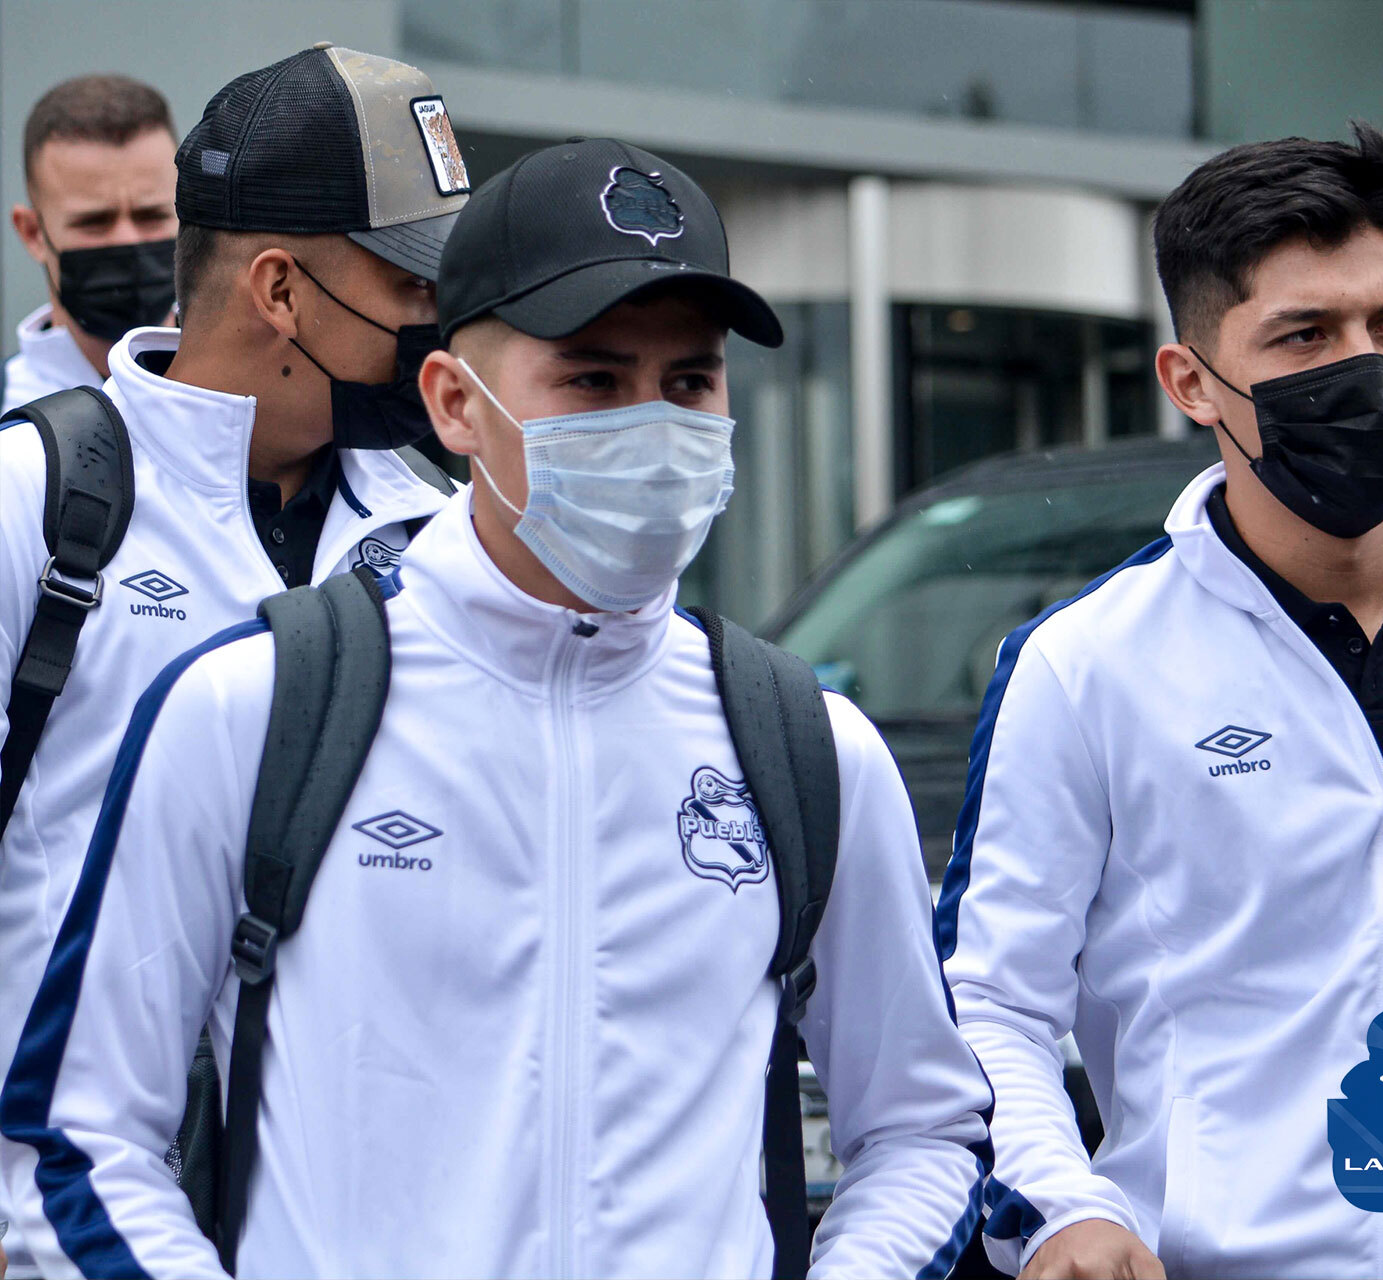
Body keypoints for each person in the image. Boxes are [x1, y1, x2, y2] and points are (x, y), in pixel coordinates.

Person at [0, 137, 993, 1279]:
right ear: (454, 405)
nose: (653, 425)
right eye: (592, 378)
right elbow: (88, 1128)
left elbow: (919, 1125)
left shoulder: (804, 743)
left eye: (689, 382)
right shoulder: (257, 705)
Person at [938, 122, 1383, 1279]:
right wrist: (1062, 1207)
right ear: (1191, 381)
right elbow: (989, 1003)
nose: (1368, 367)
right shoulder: (1085, 666)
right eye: (1304, 335)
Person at [0, 45, 467, 1278]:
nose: (442, 322)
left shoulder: (436, 539)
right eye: (408, 281)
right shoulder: (34, 499)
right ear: (280, 289)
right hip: (56, 1238)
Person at [2, 74, 179, 415]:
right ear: (32, 233)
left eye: (150, 216)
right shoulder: (7, 414)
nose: (128, 239)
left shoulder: (254, 407)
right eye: (94, 222)